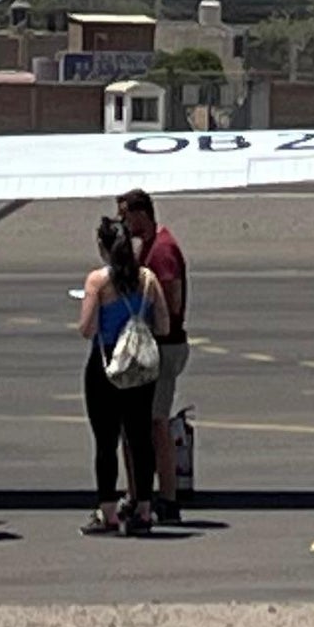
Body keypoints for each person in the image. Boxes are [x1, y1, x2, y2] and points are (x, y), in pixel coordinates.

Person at [76, 213, 163, 535]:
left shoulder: (97, 282)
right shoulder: (148, 279)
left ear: (102, 246)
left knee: (106, 442)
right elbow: (164, 324)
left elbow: (87, 329)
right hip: (139, 364)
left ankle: (108, 511)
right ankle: (143, 509)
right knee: (140, 439)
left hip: (106, 364)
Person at [119, 186, 190, 525]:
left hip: (165, 344)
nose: (123, 223)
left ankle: (168, 497)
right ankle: (146, 492)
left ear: (140, 214)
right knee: (147, 422)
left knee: (156, 422)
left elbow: (172, 303)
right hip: (159, 343)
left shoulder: (161, 251)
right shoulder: (148, 247)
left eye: (125, 216)